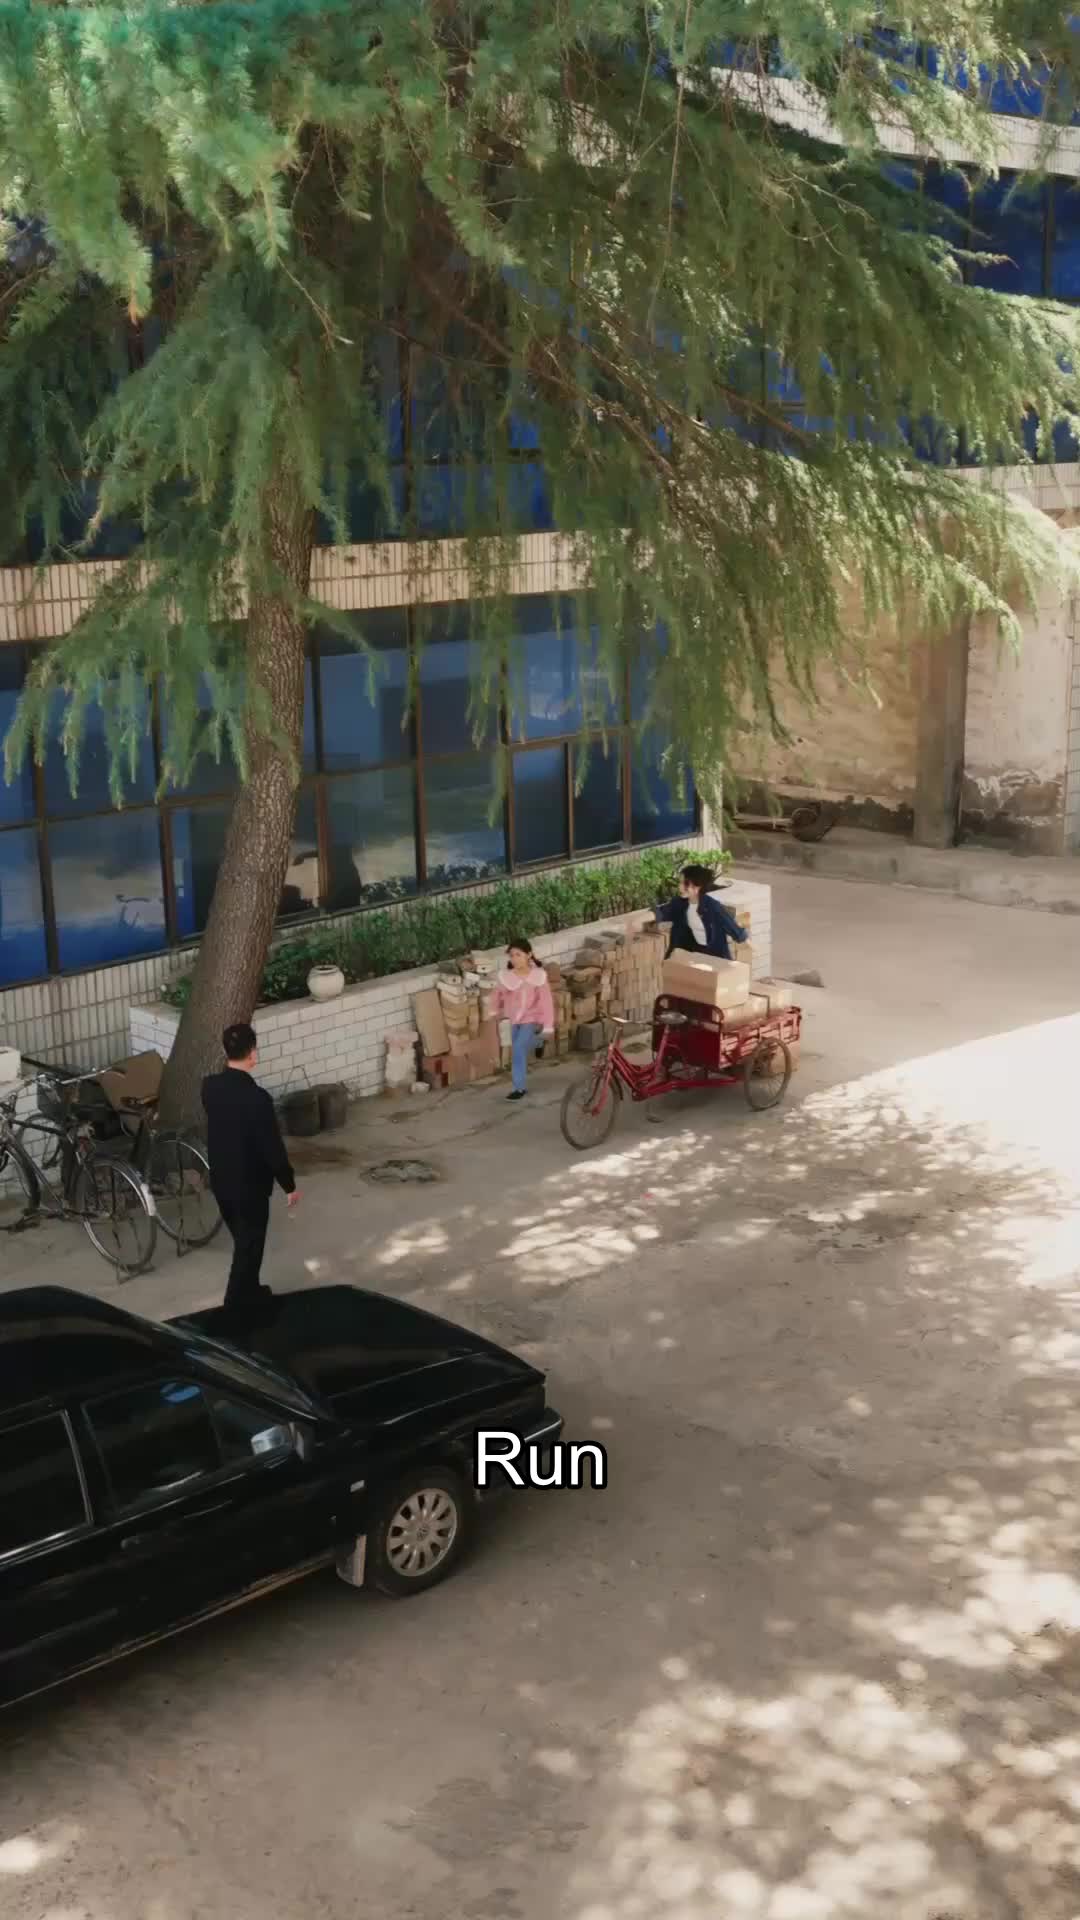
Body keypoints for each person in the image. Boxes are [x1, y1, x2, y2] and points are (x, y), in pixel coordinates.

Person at [201, 1021, 300, 1316]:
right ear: (253, 1054)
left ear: (225, 1051)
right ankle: (234, 1308)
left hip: (222, 1181)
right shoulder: (257, 1099)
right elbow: (272, 1148)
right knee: (248, 1248)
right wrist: (289, 1185)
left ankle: (252, 1291)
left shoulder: (210, 1088)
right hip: (250, 1188)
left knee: (245, 1242)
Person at [491, 938, 555, 1101]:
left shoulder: (538, 976)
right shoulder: (507, 977)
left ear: (529, 955)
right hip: (515, 1020)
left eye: (518, 955)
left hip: (532, 1018)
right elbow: (497, 994)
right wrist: (494, 1009)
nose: (514, 959)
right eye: (512, 955)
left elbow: (546, 1001)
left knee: (518, 1049)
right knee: (518, 1049)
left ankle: (519, 1088)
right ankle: (539, 1042)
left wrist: (548, 1025)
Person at [653, 863, 749, 960]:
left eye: (685, 884)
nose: (680, 887)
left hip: (715, 957)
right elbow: (660, 912)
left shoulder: (713, 907)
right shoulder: (679, 903)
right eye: (680, 883)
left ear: (698, 887)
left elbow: (736, 931)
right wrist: (644, 918)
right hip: (692, 954)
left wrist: (746, 942)